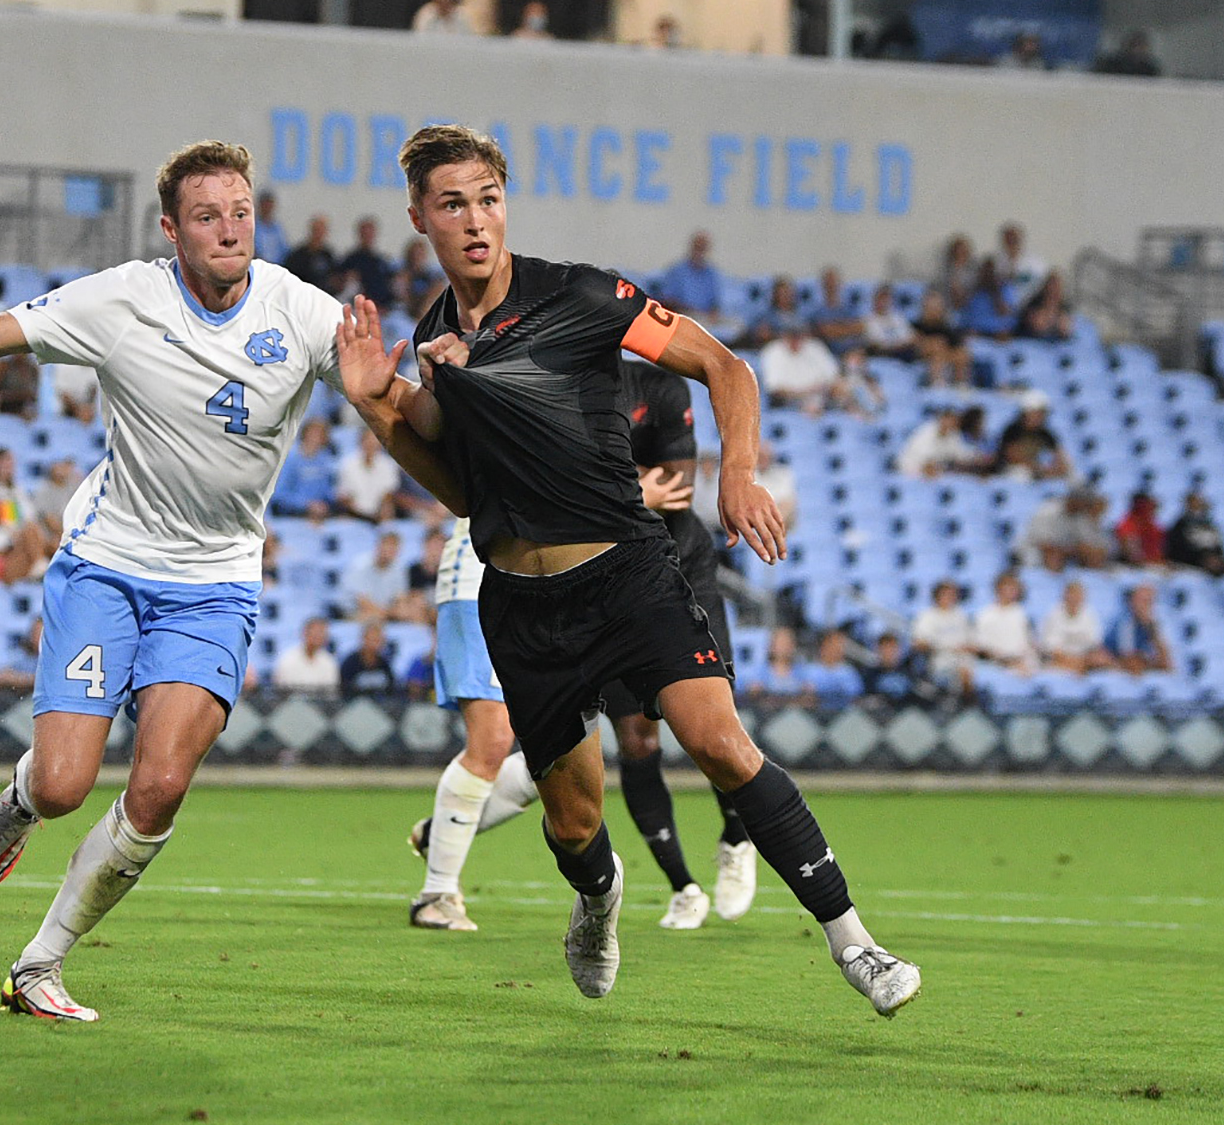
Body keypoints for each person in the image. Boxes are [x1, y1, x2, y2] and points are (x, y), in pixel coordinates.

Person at [0, 140, 459, 1022]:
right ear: (171, 229)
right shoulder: (123, 299)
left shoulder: (302, 312)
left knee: (159, 786)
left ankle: (40, 963)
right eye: (208, 215)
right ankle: (23, 798)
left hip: (216, 584)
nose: (230, 229)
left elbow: (396, 412)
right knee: (67, 783)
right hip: (107, 565)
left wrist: (436, 394)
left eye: (242, 210)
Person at [355, 124, 917, 1014]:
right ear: (418, 216)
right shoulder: (432, 336)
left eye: (488, 199)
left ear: (507, 205)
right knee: (574, 820)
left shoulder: (578, 294)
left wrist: (737, 472)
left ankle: (855, 941)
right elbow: (462, 493)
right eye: (452, 203)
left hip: (627, 571)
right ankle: (598, 897)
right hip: (521, 602)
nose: (475, 220)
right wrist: (379, 408)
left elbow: (722, 364)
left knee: (721, 743)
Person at [410, 358, 764, 934]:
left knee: (577, 749)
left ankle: (446, 837)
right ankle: (438, 890)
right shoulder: (533, 387)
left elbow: (666, 487)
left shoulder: (635, 389)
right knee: (517, 740)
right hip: (502, 571)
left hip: (592, 575)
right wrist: (628, 491)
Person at [1020, 486, 1111, 570]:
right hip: (1035, 549)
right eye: (1082, 503)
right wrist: (1072, 550)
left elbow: (1090, 541)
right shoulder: (1048, 511)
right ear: (1072, 500)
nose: (1083, 507)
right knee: (1037, 557)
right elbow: (1043, 543)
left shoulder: (1080, 515)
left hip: (1064, 553)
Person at [336, 530, 411, 622]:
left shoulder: (399, 568)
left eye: (394, 547)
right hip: (353, 612)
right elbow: (363, 602)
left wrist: (401, 612)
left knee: (412, 614)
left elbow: (400, 597)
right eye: (387, 545)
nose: (390, 550)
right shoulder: (360, 565)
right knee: (373, 620)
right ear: (378, 546)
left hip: (385, 612)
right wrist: (390, 615)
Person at [270, 418, 338, 518]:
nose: (316, 439)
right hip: (293, 514)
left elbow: (327, 491)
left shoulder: (324, 460)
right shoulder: (290, 459)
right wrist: (306, 505)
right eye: (313, 434)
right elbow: (278, 495)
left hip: (322, 514)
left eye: (321, 435)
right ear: (304, 435)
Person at [973, 571, 1038, 674]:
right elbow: (983, 647)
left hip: (1023, 663)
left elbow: (1029, 644)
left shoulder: (1022, 614)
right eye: (1008, 586)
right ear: (998, 588)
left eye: (1015, 587)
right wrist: (1007, 661)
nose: (1013, 590)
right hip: (996, 664)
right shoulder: (985, 615)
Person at [995, 390, 1070, 479]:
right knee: (1020, 474)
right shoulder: (1013, 430)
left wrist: (1059, 467)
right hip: (1010, 470)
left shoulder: (1045, 433)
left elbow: (1059, 455)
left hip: (1036, 469)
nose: (1042, 417)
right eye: (1038, 413)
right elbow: (1012, 457)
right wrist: (1039, 468)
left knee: (1070, 474)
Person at [652, 232, 721, 325]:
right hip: (683, 316)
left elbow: (715, 302)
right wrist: (688, 310)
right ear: (691, 248)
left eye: (702, 249)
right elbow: (667, 300)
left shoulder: (711, 274)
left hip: (706, 317)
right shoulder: (677, 271)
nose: (699, 253)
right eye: (697, 248)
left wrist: (714, 314)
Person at [1040, 581, 1109, 673]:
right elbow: (1051, 649)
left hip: (1084, 660)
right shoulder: (1053, 615)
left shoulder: (1090, 614)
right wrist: (1074, 662)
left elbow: (1095, 644)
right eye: (1072, 594)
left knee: (1103, 660)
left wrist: (1083, 661)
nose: (1075, 598)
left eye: (1078, 594)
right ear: (1064, 596)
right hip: (1059, 659)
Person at [336, 428, 402, 522]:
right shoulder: (347, 463)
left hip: (379, 513)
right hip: (353, 512)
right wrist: (357, 512)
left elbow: (389, 493)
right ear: (361, 441)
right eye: (368, 440)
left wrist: (380, 511)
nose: (371, 444)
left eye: (375, 440)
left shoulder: (389, 465)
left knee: (389, 512)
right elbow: (343, 494)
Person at [1104, 584, 1172, 674]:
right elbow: (1128, 656)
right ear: (1132, 602)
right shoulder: (1125, 621)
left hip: (1139, 661)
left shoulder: (1153, 622)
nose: (1146, 606)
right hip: (1115, 660)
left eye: (1149, 602)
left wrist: (1152, 630)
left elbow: (1165, 656)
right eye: (1143, 601)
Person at [896, 407, 977, 478]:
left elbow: (960, 454)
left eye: (954, 421)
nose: (951, 424)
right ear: (942, 419)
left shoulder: (953, 435)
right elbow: (922, 458)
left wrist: (976, 457)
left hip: (937, 471)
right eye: (949, 420)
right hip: (911, 469)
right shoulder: (926, 431)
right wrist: (929, 466)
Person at [1164, 491, 1224, 575]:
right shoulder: (1181, 525)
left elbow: (1218, 545)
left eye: (1199, 503)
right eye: (1194, 503)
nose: (1197, 506)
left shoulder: (1210, 525)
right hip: (1192, 563)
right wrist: (1202, 558)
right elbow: (1177, 548)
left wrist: (1215, 557)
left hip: (1211, 559)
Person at [273, 616, 340, 694]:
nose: (319, 636)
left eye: (322, 633)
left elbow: (331, 693)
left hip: (321, 704)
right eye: (315, 632)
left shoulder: (329, 661)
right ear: (304, 633)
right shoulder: (288, 659)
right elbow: (282, 690)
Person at [338, 217, 396, 308]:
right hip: (360, 307)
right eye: (365, 233)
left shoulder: (381, 261)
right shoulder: (350, 260)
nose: (368, 236)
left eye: (370, 233)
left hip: (384, 308)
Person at [798, 629, 863, 704]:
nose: (837, 648)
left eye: (840, 645)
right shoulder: (809, 671)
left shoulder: (849, 672)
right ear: (823, 646)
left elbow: (855, 697)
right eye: (833, 644)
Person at [339, 622, 398, 697]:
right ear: (363, 639)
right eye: (373, 640)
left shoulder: (384, 664)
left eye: (379, 640)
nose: (376, 644)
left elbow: (391, 690)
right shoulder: (350, 663)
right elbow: (343, 690)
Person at [282, 215, 338, 292]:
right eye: (316, 230)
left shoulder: (328, 255)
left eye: (321, 231)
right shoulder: (297, 256)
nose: (319, 234)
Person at [993, 222, 1048, 301]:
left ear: (1021, 239)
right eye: (1008, 239)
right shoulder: (995, 263)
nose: (1011, 243)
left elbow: (1043, 284)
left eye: (1014, 239)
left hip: (1029, 306)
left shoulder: (1036, 262)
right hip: (1003, 307)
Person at [862, 284, 917, 361]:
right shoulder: (868, 319)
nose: (883, 302)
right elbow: (875, 343)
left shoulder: (898, 318)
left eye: (886, 299)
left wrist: (897, 345)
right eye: (881, 298)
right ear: (874, 300)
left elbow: (911, 338)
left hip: (903, 353)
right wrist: (894, 345)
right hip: (881, 354)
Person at [1115, 492, 1166, 567]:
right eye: (1146, 506)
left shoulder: (1152, 525)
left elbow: (1160, 548)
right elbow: (1130, 552)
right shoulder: (1127, 524)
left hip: (1154, 563)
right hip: (1135, 566)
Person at [1094, 30, 1161, 77]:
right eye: (1135, 45)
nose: (1138, 50)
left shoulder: (1150, 69)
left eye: (1142, 47)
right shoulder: (1112, 64)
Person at [253, 191, 289, 268]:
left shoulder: (277, 228)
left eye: (269, 204)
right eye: (265, 204)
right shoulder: (253, 227)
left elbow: (284, 250)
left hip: (277, 268)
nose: (267, 207)